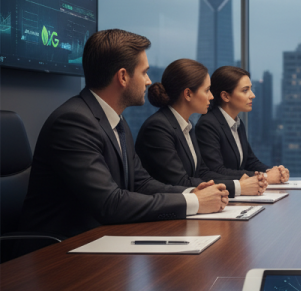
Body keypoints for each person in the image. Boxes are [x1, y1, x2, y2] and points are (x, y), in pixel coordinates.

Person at [21, 29, 228, 239]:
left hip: (102, 239)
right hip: (60, 248)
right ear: (122, 76)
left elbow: (141, 183)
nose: (149, 81)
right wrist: (194, 202)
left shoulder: (116, 120)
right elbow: (109, 203)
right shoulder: (73, 122)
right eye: (144, 72)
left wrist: (192, 193)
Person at [135, 59, 268, 197]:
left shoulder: (187, 125)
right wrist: (238, 187)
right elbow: (179, 181)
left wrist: (240, 182)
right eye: (207, 90)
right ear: (188, 94)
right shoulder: (158, 128)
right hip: (166, 206)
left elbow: (203, 173)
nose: (211, 96)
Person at [196, 66, 289, 185]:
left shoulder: (237, 123)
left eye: (250, 89)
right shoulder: (208, 125)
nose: (252, 95)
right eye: (245, 90)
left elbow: (251, 162)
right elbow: (216, 171)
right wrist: (265, 177)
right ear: (225, 96)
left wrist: (274, 172)